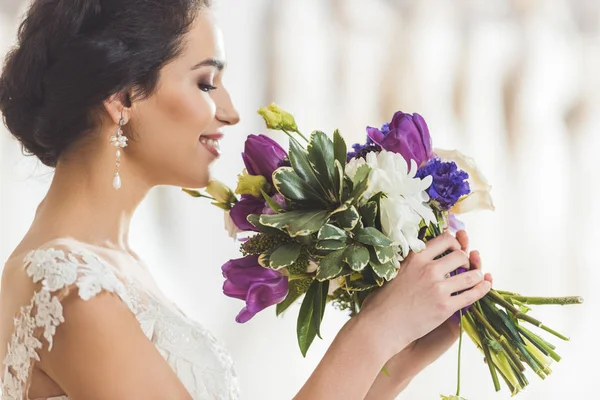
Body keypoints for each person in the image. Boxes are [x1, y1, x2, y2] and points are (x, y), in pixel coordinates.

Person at [0, 1, 492, 399]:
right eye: (205, 82)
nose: (232, 111)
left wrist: (392, 366)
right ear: (123, 97)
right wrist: (375, 331)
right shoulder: (70, 292)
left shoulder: (112, 267)